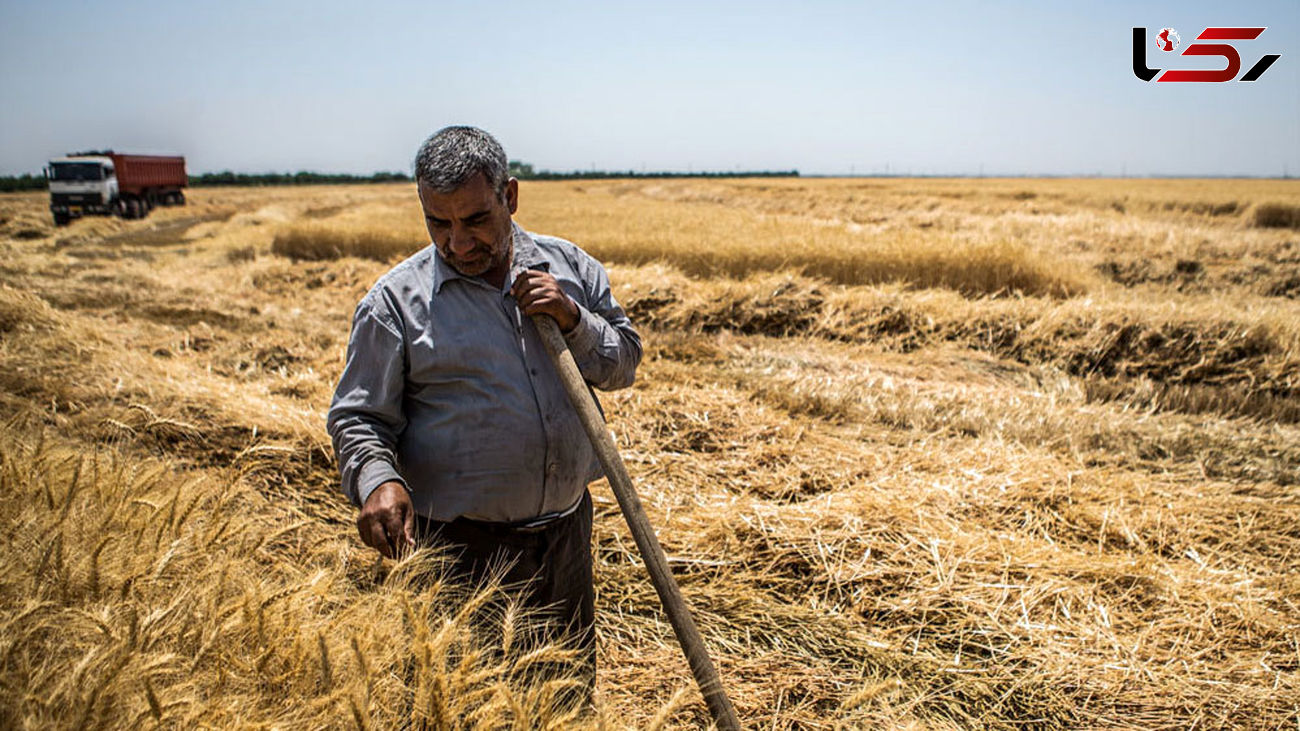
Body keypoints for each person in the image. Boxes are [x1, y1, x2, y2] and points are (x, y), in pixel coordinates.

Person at [326, 126, 642, 696]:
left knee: (564, 697)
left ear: (510, 197)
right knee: (465, 704)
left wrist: (574, 319)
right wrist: (378, 480)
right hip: (459, 553)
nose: (457, 243)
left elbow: (622, 365)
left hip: (565, 538)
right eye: (437, 223)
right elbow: (358, 417)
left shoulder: (570, 269)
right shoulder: (394, 304)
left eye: (474, 220)